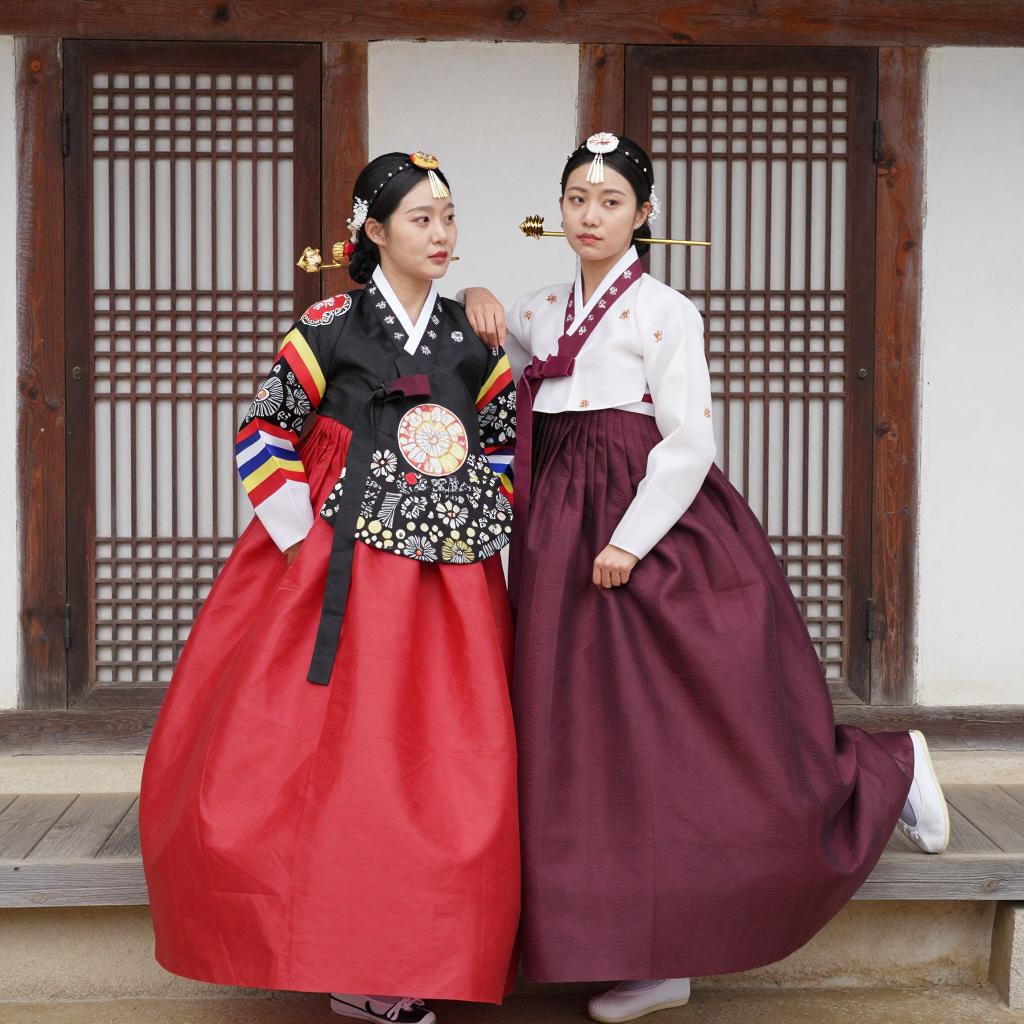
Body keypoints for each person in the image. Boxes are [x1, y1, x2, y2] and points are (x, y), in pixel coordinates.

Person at [461, 132, 949, 1023]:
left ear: (644, 215)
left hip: (644, 523)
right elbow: (493, 361)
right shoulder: (536, 308)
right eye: (577, 198)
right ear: (559, 208)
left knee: (687, 725)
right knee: (588, 735)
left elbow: (689, 440)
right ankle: (651, 958)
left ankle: (889, 766)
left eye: (611, 201)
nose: (591, 215)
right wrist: (474, 297)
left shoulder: (666, 311)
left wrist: (630, 541)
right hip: (557, 531)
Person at [139, 150, 519, 1024]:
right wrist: (296, 532)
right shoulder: (329, 326)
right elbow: (265, 429)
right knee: (330, 751)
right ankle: (346, 960)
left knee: (441, 759)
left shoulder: (473, 335)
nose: (441, 234)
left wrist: (482, 509)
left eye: (449, 217)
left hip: (450, 578)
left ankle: (417, 952)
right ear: (373, 232)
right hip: (334, 561)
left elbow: (500, 439)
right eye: (421, 219)